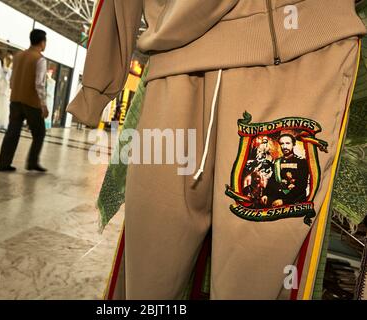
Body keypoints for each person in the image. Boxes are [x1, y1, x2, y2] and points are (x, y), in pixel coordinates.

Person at [67, 0, 366, 300]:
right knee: (149, 275)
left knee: (251, 281)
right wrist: (96, 86)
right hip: (176, 64)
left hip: (299, 56)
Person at [0, 29, 49, 172]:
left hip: (15, 99)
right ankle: (32, 162)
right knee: (39, 133)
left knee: (12, 133)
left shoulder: (18, 56)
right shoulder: (40, 59)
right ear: (42, 42)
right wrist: (43, 105)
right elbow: (39, 84)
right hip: (31, 102)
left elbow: (12, 79)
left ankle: (3, 163)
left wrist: (15, 91)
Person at [262, 134, 310, 207]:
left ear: (293, 144)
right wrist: (265, 194)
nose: (284, 147)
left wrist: (285, 201)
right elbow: (272, 180)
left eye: (287, 143)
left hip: (294, 201)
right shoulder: (277, 162)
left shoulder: (301, 162)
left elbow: (301, 186)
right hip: (277, 199)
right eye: (282, 144)